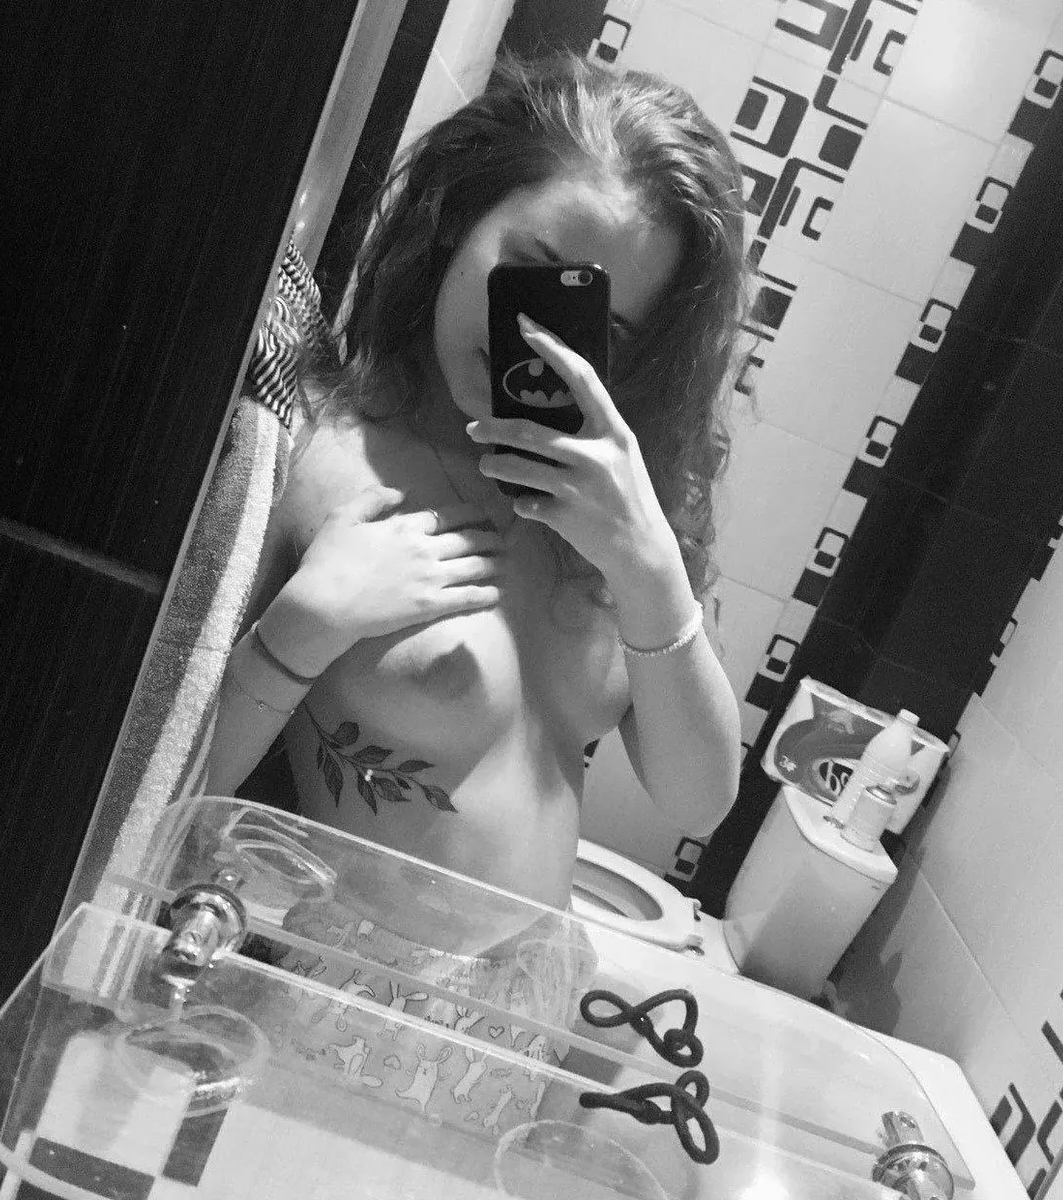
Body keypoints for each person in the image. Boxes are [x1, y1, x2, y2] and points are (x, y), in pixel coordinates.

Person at [203, 53, 752, 1125]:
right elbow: (161, 792)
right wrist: (299, 632)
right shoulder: (322, 451)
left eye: (598, 327)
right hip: (339, 1003)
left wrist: (648, 562)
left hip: (530, 1006)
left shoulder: (622, 506)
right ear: (457, 220)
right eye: (531, 273)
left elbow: (696, 802)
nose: (534, 344)